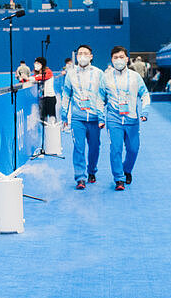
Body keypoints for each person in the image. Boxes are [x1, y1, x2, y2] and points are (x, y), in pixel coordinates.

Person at [99, 46, 150, 191]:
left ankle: (126, 169)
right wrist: (101, 118)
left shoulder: (135, 77)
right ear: (111, 60)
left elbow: (145, 94)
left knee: (133, 149)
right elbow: (100, 99)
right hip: (114, 119)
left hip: (132, 119)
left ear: (127, 59)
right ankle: (119, 178)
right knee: (115, 148)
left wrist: (145, 111)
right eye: (116, 58)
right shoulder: (106, 77)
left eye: (121, 57)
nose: (119, 60)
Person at [60, 45, 106, 189]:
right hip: (77, 118)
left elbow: (104, 95)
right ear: (76, 56)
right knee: (78, 147)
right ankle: (80, 177)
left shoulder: (99, 73)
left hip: (94, 118)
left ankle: (92, 170)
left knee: (94, 147)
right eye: (80, 53)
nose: (83, 56)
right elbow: (66, 94)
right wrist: (63, 114)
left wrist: (102, 116)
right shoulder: (71, 74)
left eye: (85, 53)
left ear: (91, 56)